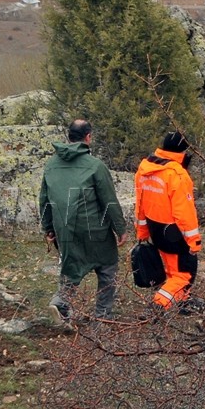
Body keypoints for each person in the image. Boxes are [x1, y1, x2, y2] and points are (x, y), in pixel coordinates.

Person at [39, 119, 127, 328]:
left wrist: (48, 227)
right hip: (95, 228)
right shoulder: (95, 166)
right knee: (107, 267)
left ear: (68, 136)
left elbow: (44, 199)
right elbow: (109, 200)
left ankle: (60, 303)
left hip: (64, 228)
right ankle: (102, 318)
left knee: (71, 266)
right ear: (88, 137)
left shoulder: (51, 165)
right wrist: (120, 228)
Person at [134, 131, 202, 313]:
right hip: (174, 233)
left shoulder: (145, 168)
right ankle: (158, 305)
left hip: (155, 229)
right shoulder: (177, 174)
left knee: (173, 270)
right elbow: (184, 212)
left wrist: (142, 232)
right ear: (183, 150)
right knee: (184, 274)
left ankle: (183, 302)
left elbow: (140, 204)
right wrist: (194, 241)